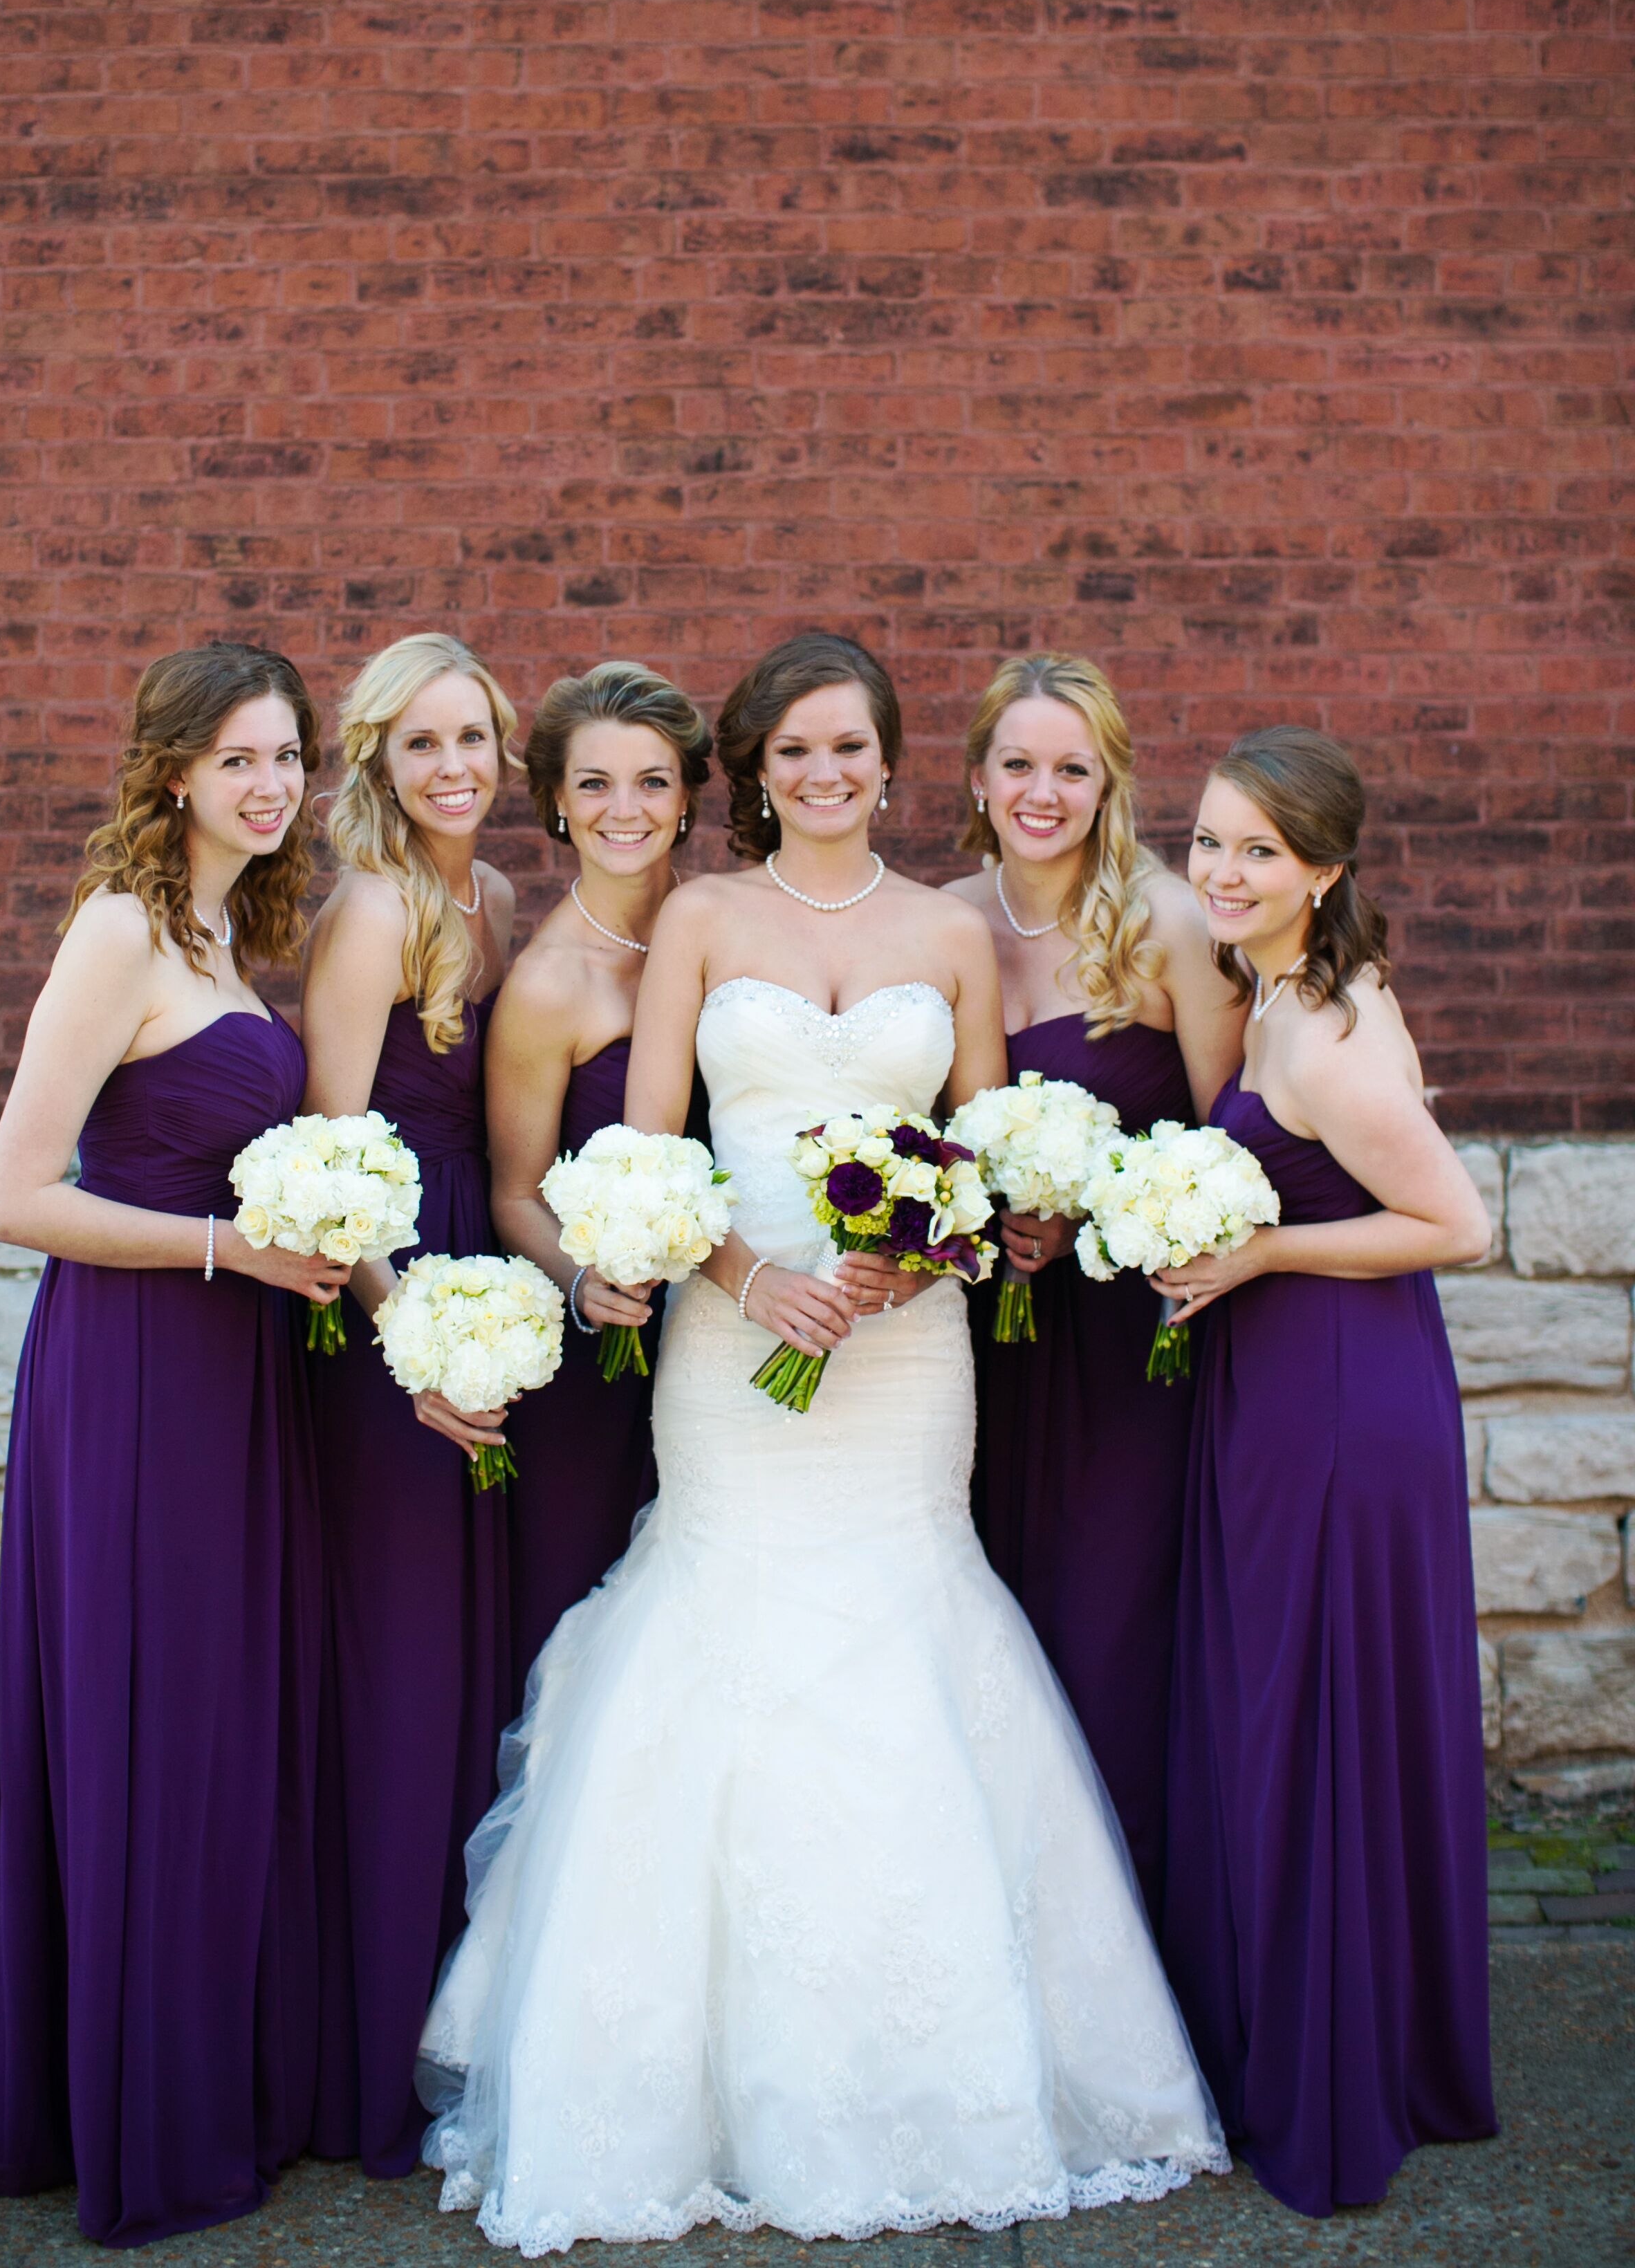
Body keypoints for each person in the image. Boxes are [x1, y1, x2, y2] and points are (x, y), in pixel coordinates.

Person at [417, 630, 1227, 2250]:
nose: (825, 774)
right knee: (733, 1617)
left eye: (850, 748)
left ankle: (945, 2079)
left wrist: (942, 1247)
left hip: (911, 1349)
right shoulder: (707, 922)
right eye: (793, 751)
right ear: (760, 767)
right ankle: (682, 2091)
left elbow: (989, 1155)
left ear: (891, 759)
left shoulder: (950, 930)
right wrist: (741, 1273)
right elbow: (644, 1157)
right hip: (735, 1347)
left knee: (910, 1616)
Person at [0, 643, 337, 2247]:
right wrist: (227, 1255)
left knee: (210, 1727)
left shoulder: (234, 931)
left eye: (288, 759)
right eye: (242, 758)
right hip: (131, 1374)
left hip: (231, 1372)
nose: (270, 786)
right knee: (149, 1725)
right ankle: (145, 2123)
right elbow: (13, 1197)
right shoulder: (123, 928)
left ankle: (184, 2074)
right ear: (176, 767)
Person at [1160, 726, 1496, 2216]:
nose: (1225, 872)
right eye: (1213, 840)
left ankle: (1342, 2081)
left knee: (1321, 1719)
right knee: (1300, 1714)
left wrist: (1263, 1250)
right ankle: (1359, 2040)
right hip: (1290, 1382)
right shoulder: (1282, 991)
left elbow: (1459, 1224)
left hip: (1345, 1406)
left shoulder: (1333, 1035)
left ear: (1328, 870)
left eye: (1262, 853)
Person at [946, 653, 1244, 1919]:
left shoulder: (1169, 922)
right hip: (972, 1345)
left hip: (1131, 1350)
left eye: (1073, 768)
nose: (1043, 791)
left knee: (1111, 1633)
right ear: (977, 778)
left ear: (1111, 781)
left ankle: (1134, 1963)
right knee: (985, 1634)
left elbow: (1235, 1143)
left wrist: (1098, 1208)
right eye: (1019, 763)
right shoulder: (942, 919)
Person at [299, 631, 519, 2179]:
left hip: (485, 1285)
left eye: (475, 742)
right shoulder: (370, 910)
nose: (455, 769)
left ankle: (455, 2017)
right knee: (399, 1668)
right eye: (423, 744)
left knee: (465, 1667)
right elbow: (332, 1159)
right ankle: (363, 2058)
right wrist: (413, 1342)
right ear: (378, 759)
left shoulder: (494, 901)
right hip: (396, 1310)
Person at [486, 660, 712, 1690]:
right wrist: (587, 1282)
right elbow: (516, 1191)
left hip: (740, 1322)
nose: (626, 810)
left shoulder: (730, 930)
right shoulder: (547, 984)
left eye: (653, 782)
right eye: (594, 784)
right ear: (558, 807)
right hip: (607, 1350)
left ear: (687, 798)